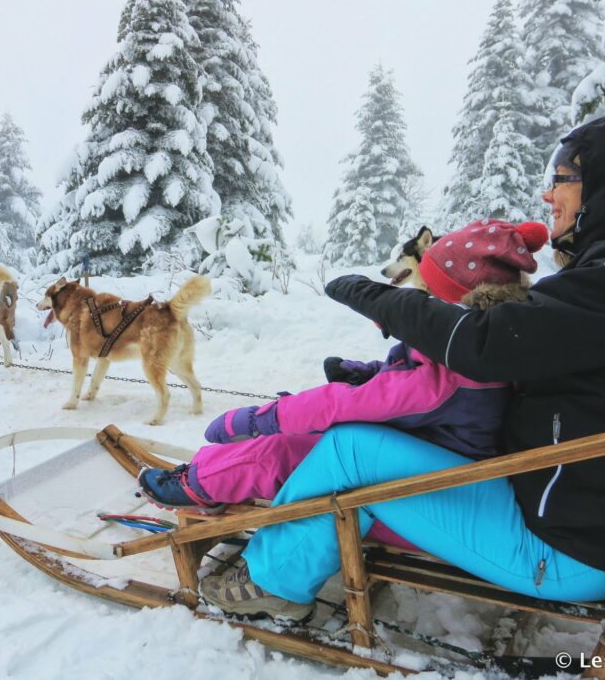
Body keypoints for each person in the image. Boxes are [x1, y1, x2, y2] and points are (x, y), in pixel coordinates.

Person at [198, 112, 605, 623]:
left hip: (564, 551)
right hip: (584, 523)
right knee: (372, 451)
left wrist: (377, 298)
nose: (549, 194)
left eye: (565, 177)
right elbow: (526, 348)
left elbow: (484, 342)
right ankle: (293, 555)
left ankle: (271, 584)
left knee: (348, 451)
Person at [137, 220, 549, 555]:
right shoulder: (476, 352)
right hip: (439, 477)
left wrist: (258, 418)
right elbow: (401, 388)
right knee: (313, 434)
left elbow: (351, 403)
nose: (416, 304)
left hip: (423, 504)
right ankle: (212, 472)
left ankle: (199, 485)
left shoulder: (453, 368)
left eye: (425, 293)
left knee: (287, 450)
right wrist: (368, 371)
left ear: (453, 301)